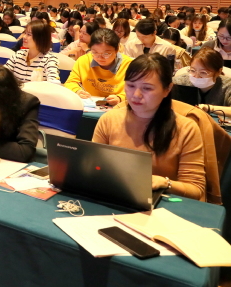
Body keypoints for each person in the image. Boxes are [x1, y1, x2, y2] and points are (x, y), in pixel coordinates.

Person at [93, 53, 206, 201]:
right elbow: (94, 168)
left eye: (147, 88)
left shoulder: (186, 129)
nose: (136, 95)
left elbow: (195, 189)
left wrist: (165, 183)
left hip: (160, 206)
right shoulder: (109, 119)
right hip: (115, 198)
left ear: (167, 89)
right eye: (130, 85)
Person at [64, 29, 133, 105]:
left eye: (106, 54)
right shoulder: (84, 60)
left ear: (117, 50)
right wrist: (77, 91)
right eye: (95, 52)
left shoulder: (129, 65)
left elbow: (136, 90)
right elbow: (70, 82)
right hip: (89, 105)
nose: (100, 57)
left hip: (118, 107)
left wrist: (120, 98)